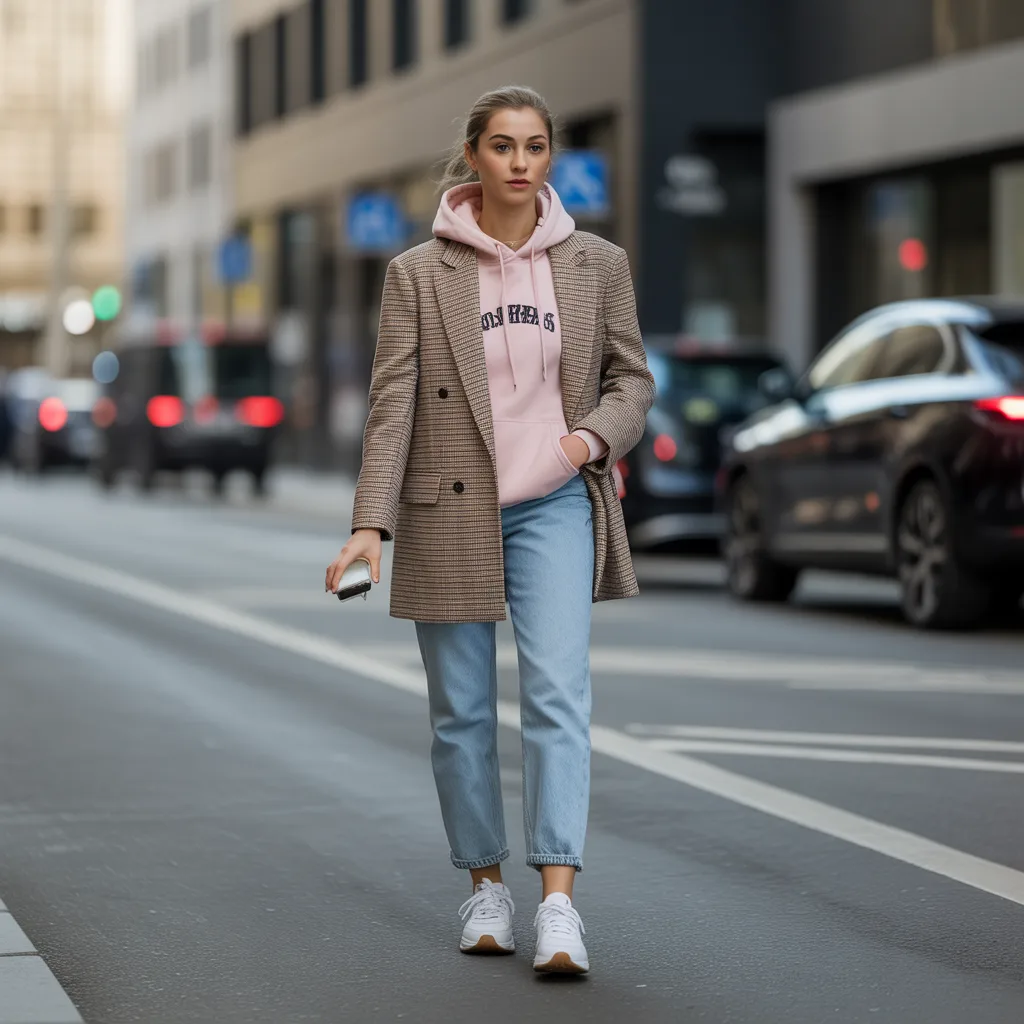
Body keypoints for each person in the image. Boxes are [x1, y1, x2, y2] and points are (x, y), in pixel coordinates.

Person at [325, 85, 654, 975]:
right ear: (473, 155)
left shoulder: (597, 264)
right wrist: (369, 527)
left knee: (557, 697)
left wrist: (587, 439)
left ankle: (557, 905)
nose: (519, 161)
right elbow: (392, 404)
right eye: (503, 145)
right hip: (448, 501)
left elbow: (632, 380)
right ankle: (486, 888)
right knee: (461, 715)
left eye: (535, 146)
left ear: (551, 157)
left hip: (554, 503)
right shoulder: (417, 274)